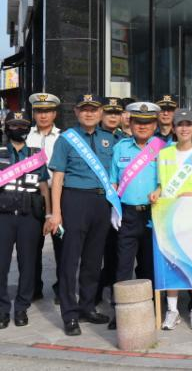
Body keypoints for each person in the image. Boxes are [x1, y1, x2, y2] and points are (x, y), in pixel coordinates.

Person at [47, 94, 119, 336]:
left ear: (100, 113)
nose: (89, 113)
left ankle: (87, 306)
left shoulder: (110, 138)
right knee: (70, 260)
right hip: (74, 200)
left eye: (93, 109)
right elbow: (58, 178)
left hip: (101, 203)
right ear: (76, 112)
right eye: (84, 109)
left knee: (93, 259)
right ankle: (69, 314)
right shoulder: (66, 139)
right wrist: (56, 213)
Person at [150, 109, 192, 330]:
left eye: (188, 124)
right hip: (169, 216)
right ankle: (172, 310)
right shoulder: (165, 154)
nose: (184, 128)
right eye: (180, 124)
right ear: (174, 128)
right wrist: (156, 192)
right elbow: (161, 184)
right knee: (171, 262)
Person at [107, 102, 163, 330]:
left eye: (147, 122)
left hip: (152, 214)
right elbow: (113, 180)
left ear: (155, 125)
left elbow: (167, 180)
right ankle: (119, 312)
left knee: (149, 266)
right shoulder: (121, 148)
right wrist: (114, 207)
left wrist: (159, 190)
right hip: (127, 214)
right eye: (138, 122)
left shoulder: (162, 148)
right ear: (130, 123)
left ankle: (149, 309)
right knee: (123, 266)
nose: (142, 126)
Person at [0, 111, 49, 329]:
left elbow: (44, 186)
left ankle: (21, 307)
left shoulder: (36, 155)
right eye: (13, 125)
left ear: (28, 129)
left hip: (29, 217)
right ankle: (2, 309)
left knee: (28, 264)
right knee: (1, 265)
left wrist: (49, 215)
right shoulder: (0, 152)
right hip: (3, 217)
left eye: (22, 125)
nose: (18, 129)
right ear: (6, 128)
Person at [27, 92, 61, 302]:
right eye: (39, 111)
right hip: (31, 197)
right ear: (34, 113)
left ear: (54, 113)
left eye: (47, 111)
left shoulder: (63, 137)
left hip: (57, 197)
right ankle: (33, 289)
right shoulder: (26, 136)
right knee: (31, 246)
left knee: (62, 246)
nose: (43, 115)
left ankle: (61, 288)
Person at [96, 96, 125, 307]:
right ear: (101, 114)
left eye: (117, 112)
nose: (113, 116)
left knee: (116, 251)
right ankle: (94, 293)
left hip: (120, 203)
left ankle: (114, 291)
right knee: (96, 251)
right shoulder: (93, 137)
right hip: (98, 200)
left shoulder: (125, 139)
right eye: (109, 112)